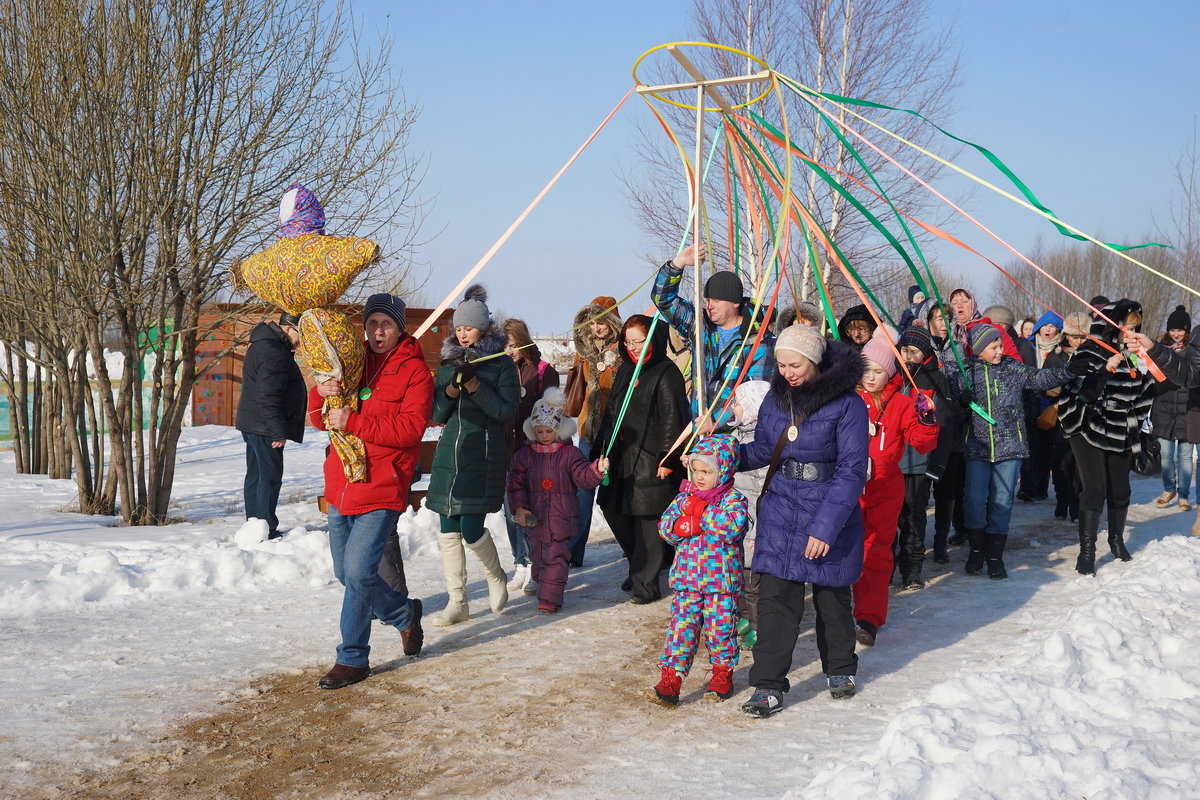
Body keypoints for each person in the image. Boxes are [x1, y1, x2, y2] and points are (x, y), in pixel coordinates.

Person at [739, 325, 869, 717]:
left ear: (814, 361)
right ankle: (767, 685)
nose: (787, 372)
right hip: (781, 506)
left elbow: (851, 470)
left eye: (795, 364)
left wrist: (825, 527)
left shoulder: (848, 405)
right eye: (780, 364)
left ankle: (841, 667)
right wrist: (718, 454)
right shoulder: (776, 399)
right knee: (776, 599)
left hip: (829, 506)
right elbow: (762, 448)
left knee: (831, 599)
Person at [307, 293, 433, 689]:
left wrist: (355, 422)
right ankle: (403, 615)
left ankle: (352, 658)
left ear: (400, 328)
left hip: (382, 485)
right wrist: (320, 390)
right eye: (373, 323)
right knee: (346, 573)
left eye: (387, 324)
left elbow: (411, 430)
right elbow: (317, 421)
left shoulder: (415, 373)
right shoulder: (350, 363)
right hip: (341, 484)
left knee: (360, 572)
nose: (379, 332)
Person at [1059, 300, 1196, 575]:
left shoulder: (1135, 356)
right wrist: (1105, 370)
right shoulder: (1089, 352)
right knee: (1095, 491)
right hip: (1089, 430)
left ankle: (1117, 540)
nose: (1131, 332)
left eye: (1135, 327)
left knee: (1121, 491)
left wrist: (1170, 361)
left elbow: (1155, 388)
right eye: (1126, 326)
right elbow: (1082, 395)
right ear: (1111, 326)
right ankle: (1087, 552)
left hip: (1122, 429)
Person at [944, 324, 1088, 580]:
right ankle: (977, 550)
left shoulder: (1011, 368)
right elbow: (954, 410)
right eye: (994, 347)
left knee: (1001, 503)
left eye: (1000, 345)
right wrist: (961, 401)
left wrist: (1069, 370)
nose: (1000, 350)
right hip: (978, 447)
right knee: (975, 500)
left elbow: (1039, 378)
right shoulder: (966, 372)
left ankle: (995, 556)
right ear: (978, 350)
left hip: (1010, 446)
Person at [426, 285, 520, 624]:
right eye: (459, 328)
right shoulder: (449, 361)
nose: (463, 334)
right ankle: (458, 601)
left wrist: (477, 388)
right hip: (451, 454)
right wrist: (451, 388)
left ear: (483, 328)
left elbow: (505, 411)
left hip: (483, 454)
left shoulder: (500, 365)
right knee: (447, 529)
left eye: (469, 328)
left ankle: (496, 576)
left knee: (470, 528)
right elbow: (437, 413)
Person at [593, 315, 690, 604]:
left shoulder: (665, 372)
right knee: (611, 508)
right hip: (621, 456)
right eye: (628, 341)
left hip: (652, 458)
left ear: (652, 340)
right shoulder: (625, 370)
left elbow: (673, 418)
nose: (633, 347)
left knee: (649, 520)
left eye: (639, 341)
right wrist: (600, 450)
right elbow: (611, 414)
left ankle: (645, 584)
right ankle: (643, 565)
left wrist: (667, 458)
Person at [646, 435, 749, 706]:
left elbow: (731, 527)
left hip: (721, 583)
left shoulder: (733, 500)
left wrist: (702, 512)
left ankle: (721, 674)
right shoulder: (683, 497)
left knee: (720, 630)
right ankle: (671, 678)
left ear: (723, 470)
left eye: (707, 471)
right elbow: (665, 527)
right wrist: (680, 527)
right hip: (687, 580)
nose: (700, 477)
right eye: (696, 470)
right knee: (681, 629)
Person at [852, 327, 938, 646]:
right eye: (865, 370)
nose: (870, 377)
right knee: (846, 549)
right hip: (847, 489)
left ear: (889, 373)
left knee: (875, 551)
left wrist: (927, 420)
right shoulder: (848, 399)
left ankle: (868, 617)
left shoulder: (902, 403)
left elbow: (922, 442)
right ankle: (835, 609)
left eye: (878, 371)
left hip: (884, 489)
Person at [652, 242, 775, 427]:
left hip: (736, 435)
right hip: (698, 428)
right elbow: (662, 300)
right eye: (707, 299)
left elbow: (756, 392)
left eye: (716, 300)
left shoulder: (758, 341)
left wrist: (717, 421)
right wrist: (678, 264)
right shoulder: (699, 326)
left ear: (735, 303)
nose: (709, 305)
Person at [507, 388, 603, 613]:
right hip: (534, 519)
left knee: (556, 558)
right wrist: (519, 508)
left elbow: (583, 476)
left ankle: (550, 599)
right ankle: (543, 585)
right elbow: (515, 485)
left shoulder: (569, 455)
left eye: (548, 430)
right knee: (538, 555)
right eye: (539, 431)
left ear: (558, 429)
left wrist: (596, 470)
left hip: (560, 518)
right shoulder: (524, 456)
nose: (543, 435)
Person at [501, 318, 560, 594]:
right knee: (510, 509)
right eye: (504, 346)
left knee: (532, 510)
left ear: (523, 342)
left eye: (513, 345)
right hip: (506, 450)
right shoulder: (500, 370)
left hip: (532, 451)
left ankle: (536, 564)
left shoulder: (542, 371)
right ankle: (520, 562)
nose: (509, 351)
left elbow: (551, 410)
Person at [895, 325, 959, 579]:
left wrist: (937, 465)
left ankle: (911, 570)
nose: (908, 357)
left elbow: (944, 424)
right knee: (890, 517)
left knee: (913, 514)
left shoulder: (934, 379)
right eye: (904, 350)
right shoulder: (892, 376)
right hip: (892, 459)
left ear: (924, 353)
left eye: (914, 352)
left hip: (918, 460)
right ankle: (886, 569)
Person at [236, 312, 306, 540]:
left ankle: (254, 527)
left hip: (254, 423)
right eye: (301, 333)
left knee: (256, 475)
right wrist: (277, 430)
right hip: (265, 426)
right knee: (269, 477)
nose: (302, 340)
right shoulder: (274, 352)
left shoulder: (263, 344)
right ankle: (264, 529)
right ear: (288, 329)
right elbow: (268, 395)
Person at [565, 296, 623, 568]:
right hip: (588, 431)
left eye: (602, 321)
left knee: (620, 492)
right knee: (582, 492)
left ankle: (631, 545)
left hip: (617, 432)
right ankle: (574, 552)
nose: (597, 327)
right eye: (593, 322)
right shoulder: (583, 350)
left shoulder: (623, 349)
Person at [730, 379, 771, 648]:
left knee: (754, 585)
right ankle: (746, 617)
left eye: (737, 403)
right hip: (739, 523)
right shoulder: (737, 436)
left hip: (755, 525)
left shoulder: (761, 442)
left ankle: (760, 627)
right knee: (739, 582)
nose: (733, 407)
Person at [925, 301, 968, 547]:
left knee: (947, 487)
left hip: (952, 429)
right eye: (939, 318)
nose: (944, 324)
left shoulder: (958, 350)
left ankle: (941, 541)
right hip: (925, 428)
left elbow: (965, 383)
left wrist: (965, 396)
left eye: (947, 319)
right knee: (921, 491)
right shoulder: (918, 348)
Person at [1017, 311, 1065, 502]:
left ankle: (1041, 487)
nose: (1048, 329)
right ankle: (1027, 487)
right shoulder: (1028, 346)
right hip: (1030, 403)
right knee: (1029, 447)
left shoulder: (1061, 350)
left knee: (1046, 449)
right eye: (1045, 325)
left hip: (1052, 406)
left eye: (1053, 326)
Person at [1151, 305, 1193, 511]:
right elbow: (1150, 376)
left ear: (1187, 331)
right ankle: (1169, 489)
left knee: (1185, 456)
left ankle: (1184, 494)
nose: (1176, 334)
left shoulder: (1194, 351)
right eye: (1173, 330)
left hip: (1188, 409)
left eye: (1180, 330)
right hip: (1164, 409)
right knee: (1166, 455)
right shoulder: (1159, 350)